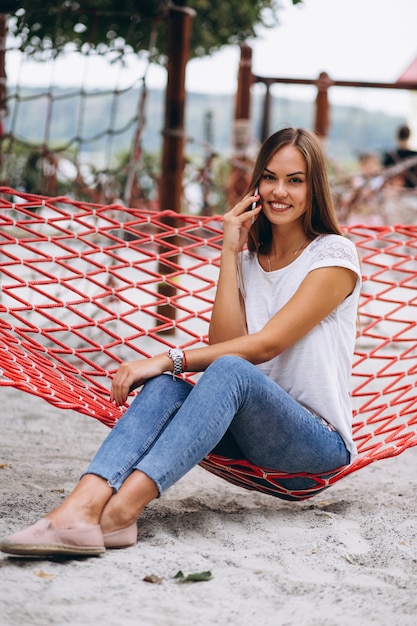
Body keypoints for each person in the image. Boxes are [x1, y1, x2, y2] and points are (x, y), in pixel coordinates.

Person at [0, 127, 361, 559]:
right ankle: (77, 511)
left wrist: (167, 358)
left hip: (313, 447)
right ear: (256, 184)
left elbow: (264, 346)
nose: (278, 191)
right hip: (245, 433)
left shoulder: (334, 256)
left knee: (209, 371)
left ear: (313, 187)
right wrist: (230, 252)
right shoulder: (249, 261)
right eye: (269, 177)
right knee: (168, 387)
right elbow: (226, 345)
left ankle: (119, 513)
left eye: (295, 180)